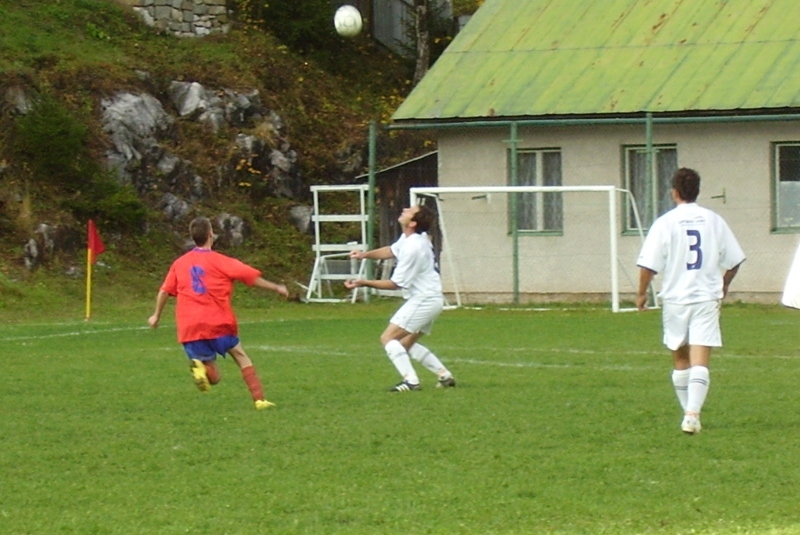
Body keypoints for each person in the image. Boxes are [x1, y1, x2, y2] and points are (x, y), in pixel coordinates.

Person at [636, 168, 745, 434]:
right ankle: (691, 414)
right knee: (700, 358)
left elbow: (648, 266)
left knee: (680, 359)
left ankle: (690, 414)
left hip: (675, 298)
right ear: (697, 190)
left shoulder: (665, 223)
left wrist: (641, 293)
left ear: (674, 192)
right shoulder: (714, 220)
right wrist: (724, 283)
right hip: (706, 297)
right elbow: (735, 259)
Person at [148, 216, 289, 410]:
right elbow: (250, 277)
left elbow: (164, 291)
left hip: (189, 327)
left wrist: (156, 315)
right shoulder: (221, 261)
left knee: (214, 377)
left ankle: (201, 369)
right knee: (240, 355)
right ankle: (259, 400)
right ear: (210, 235)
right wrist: (276, 287)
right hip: (218, 322)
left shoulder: (179, 263)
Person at [345, 204, 456, 392]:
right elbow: (391, 250)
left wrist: (363, 282)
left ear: (412, 223)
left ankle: (411, 381)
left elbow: (396, 283)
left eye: (409, 211)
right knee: (405, 344)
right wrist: (364, 255)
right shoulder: (413, 238)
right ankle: (444, 375)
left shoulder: (414, 247)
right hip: (431, 299)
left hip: (423, 299)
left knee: (388, 338)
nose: (404, 209)